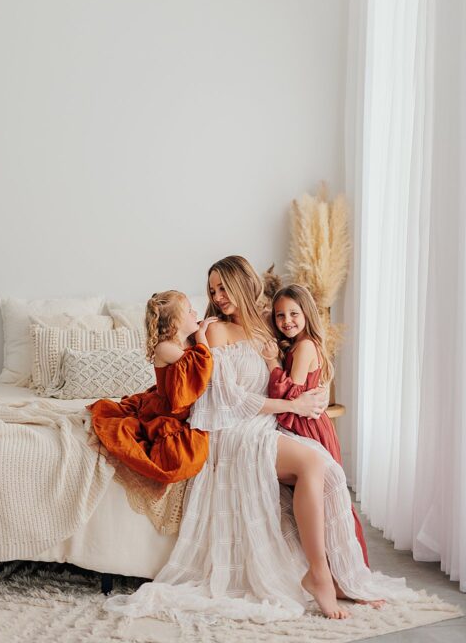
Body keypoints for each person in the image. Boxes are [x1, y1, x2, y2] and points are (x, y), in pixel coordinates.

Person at [107, 256, 417, 623]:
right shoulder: (216, 331)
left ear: (243, 283)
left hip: (264, 424)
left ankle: (332, 571)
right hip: (232, 432)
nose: (218, 297)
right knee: (312, 463)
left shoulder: (266, 330)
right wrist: (291, 404)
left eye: (223, 287)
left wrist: (312, 396)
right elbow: (227, 398)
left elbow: (292, 368)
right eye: (212, 291)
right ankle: (318, 574)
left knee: (327, 470)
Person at [270, 284, 369, 565]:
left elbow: (291, 392)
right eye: (279, 316)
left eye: (293, 313)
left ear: (307, 314)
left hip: (307, 426)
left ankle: (342, 565)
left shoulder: (304, 347)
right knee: (317, 496)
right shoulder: (297, 345)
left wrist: (270, 365)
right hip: (308, 423)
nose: (286, 321)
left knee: (325, 497)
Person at [89, 291, 215, 483]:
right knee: (180, 458)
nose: (195, 313)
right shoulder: (164, 348)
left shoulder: (184, 342)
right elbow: (202, 363)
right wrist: (201, 334)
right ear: (175, 323)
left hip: (180, 405)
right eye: (190, 311)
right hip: (165, 410)